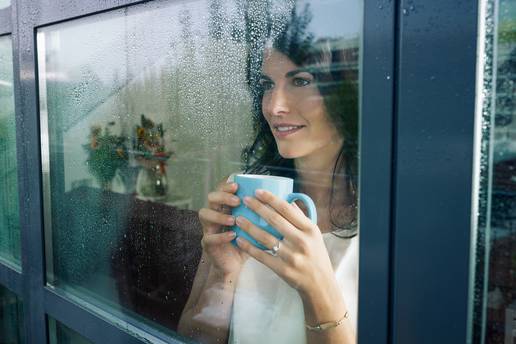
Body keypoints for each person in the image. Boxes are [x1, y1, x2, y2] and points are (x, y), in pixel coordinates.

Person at [178, 18, 358, 344]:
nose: (275, 106)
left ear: (344, 93)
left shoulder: (386, 227)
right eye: (267, 85)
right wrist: (223, 272)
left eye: (301, 81)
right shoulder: (242, 195)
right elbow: (193, 338)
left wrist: (317, 289)